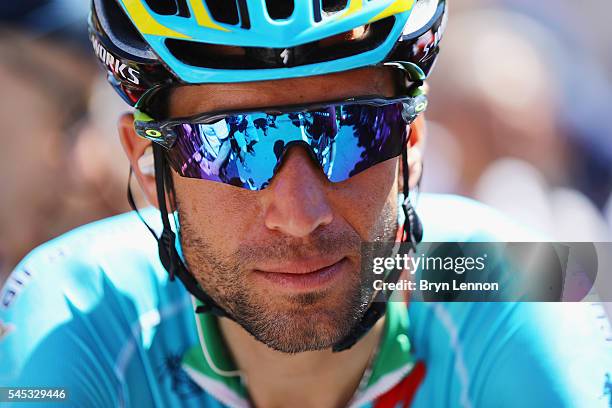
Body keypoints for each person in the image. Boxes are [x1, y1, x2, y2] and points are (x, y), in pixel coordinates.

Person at [1, 1, 610, 407]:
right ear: (146, 163)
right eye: (229, 146)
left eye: (350, 134)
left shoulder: (532, 276)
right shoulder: (63, 309)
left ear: (413, 141)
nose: (299, 211)